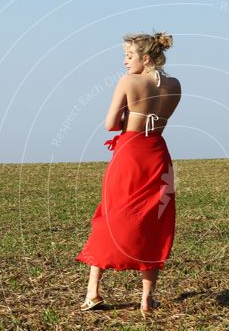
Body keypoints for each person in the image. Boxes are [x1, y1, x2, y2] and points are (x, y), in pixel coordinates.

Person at [76, 31, 181, 315]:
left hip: (130, 153)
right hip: (157, 154)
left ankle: (93, 293)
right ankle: (147, 299)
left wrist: (127, 114)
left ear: (145, 58)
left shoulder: (128, 82)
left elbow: (111, 124)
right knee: (152, 221)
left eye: (129, 56)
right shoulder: (174, 85)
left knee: (111, 215)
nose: (124, 62)